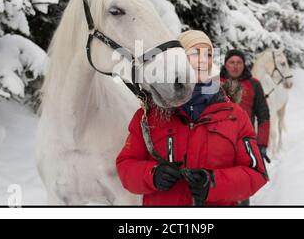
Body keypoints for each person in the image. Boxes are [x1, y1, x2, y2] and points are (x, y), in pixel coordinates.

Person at [116, 30, 268, 206]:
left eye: (209, 54)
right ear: (178, 60)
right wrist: (152, 175)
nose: (203, 60)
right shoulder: (150, 116)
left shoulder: (235, 116)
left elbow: (256, 173)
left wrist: (214, 183)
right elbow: (125, 166)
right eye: (195, 53)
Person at [220, 50, 271, 163]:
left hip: (245, 141)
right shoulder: (214, 83)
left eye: (239, 62)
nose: (235, 66)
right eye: (231, 62)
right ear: (225, 64)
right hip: (219, 141)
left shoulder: (254, 84)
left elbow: (264, 115)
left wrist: (262, 144)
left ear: (244, 65)